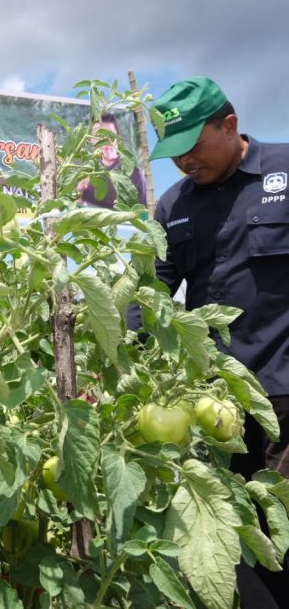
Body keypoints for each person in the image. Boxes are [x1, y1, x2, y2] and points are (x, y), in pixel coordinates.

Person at [133, 76, 289, 605]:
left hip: (286, 394)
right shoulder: (174, 205)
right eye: (173, 154)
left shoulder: (284, 171)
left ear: (230, 125)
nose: (183, 164)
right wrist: (118, 361)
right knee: (233, 539)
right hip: (217, 405)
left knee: (284, 528)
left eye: (192, 148)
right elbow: (150, 292)